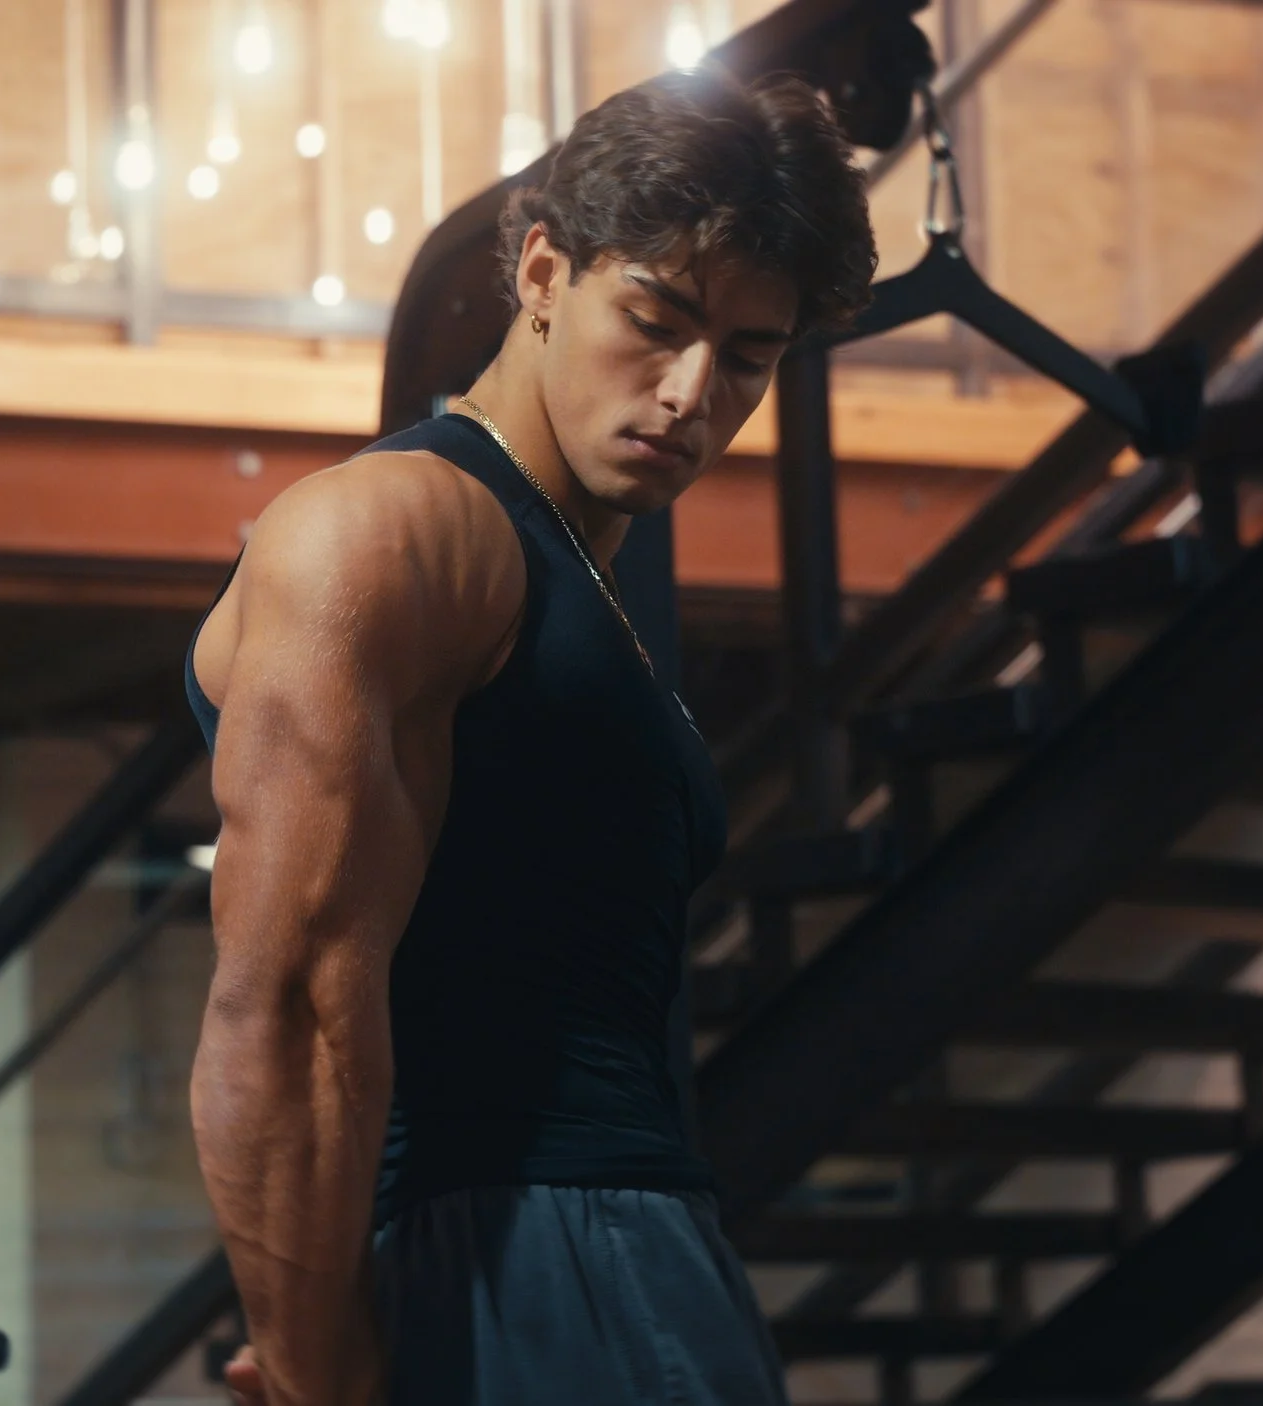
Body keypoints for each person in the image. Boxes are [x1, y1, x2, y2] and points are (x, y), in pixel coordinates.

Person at [181, 61, 877, 1406]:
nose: (691, 393)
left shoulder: (575, 580)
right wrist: (319, 1368)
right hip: (526, 1260)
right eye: (656, 318)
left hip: (628, 1249)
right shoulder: (391, 532)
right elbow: (288, 999)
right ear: (546, 272)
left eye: (747, 356)